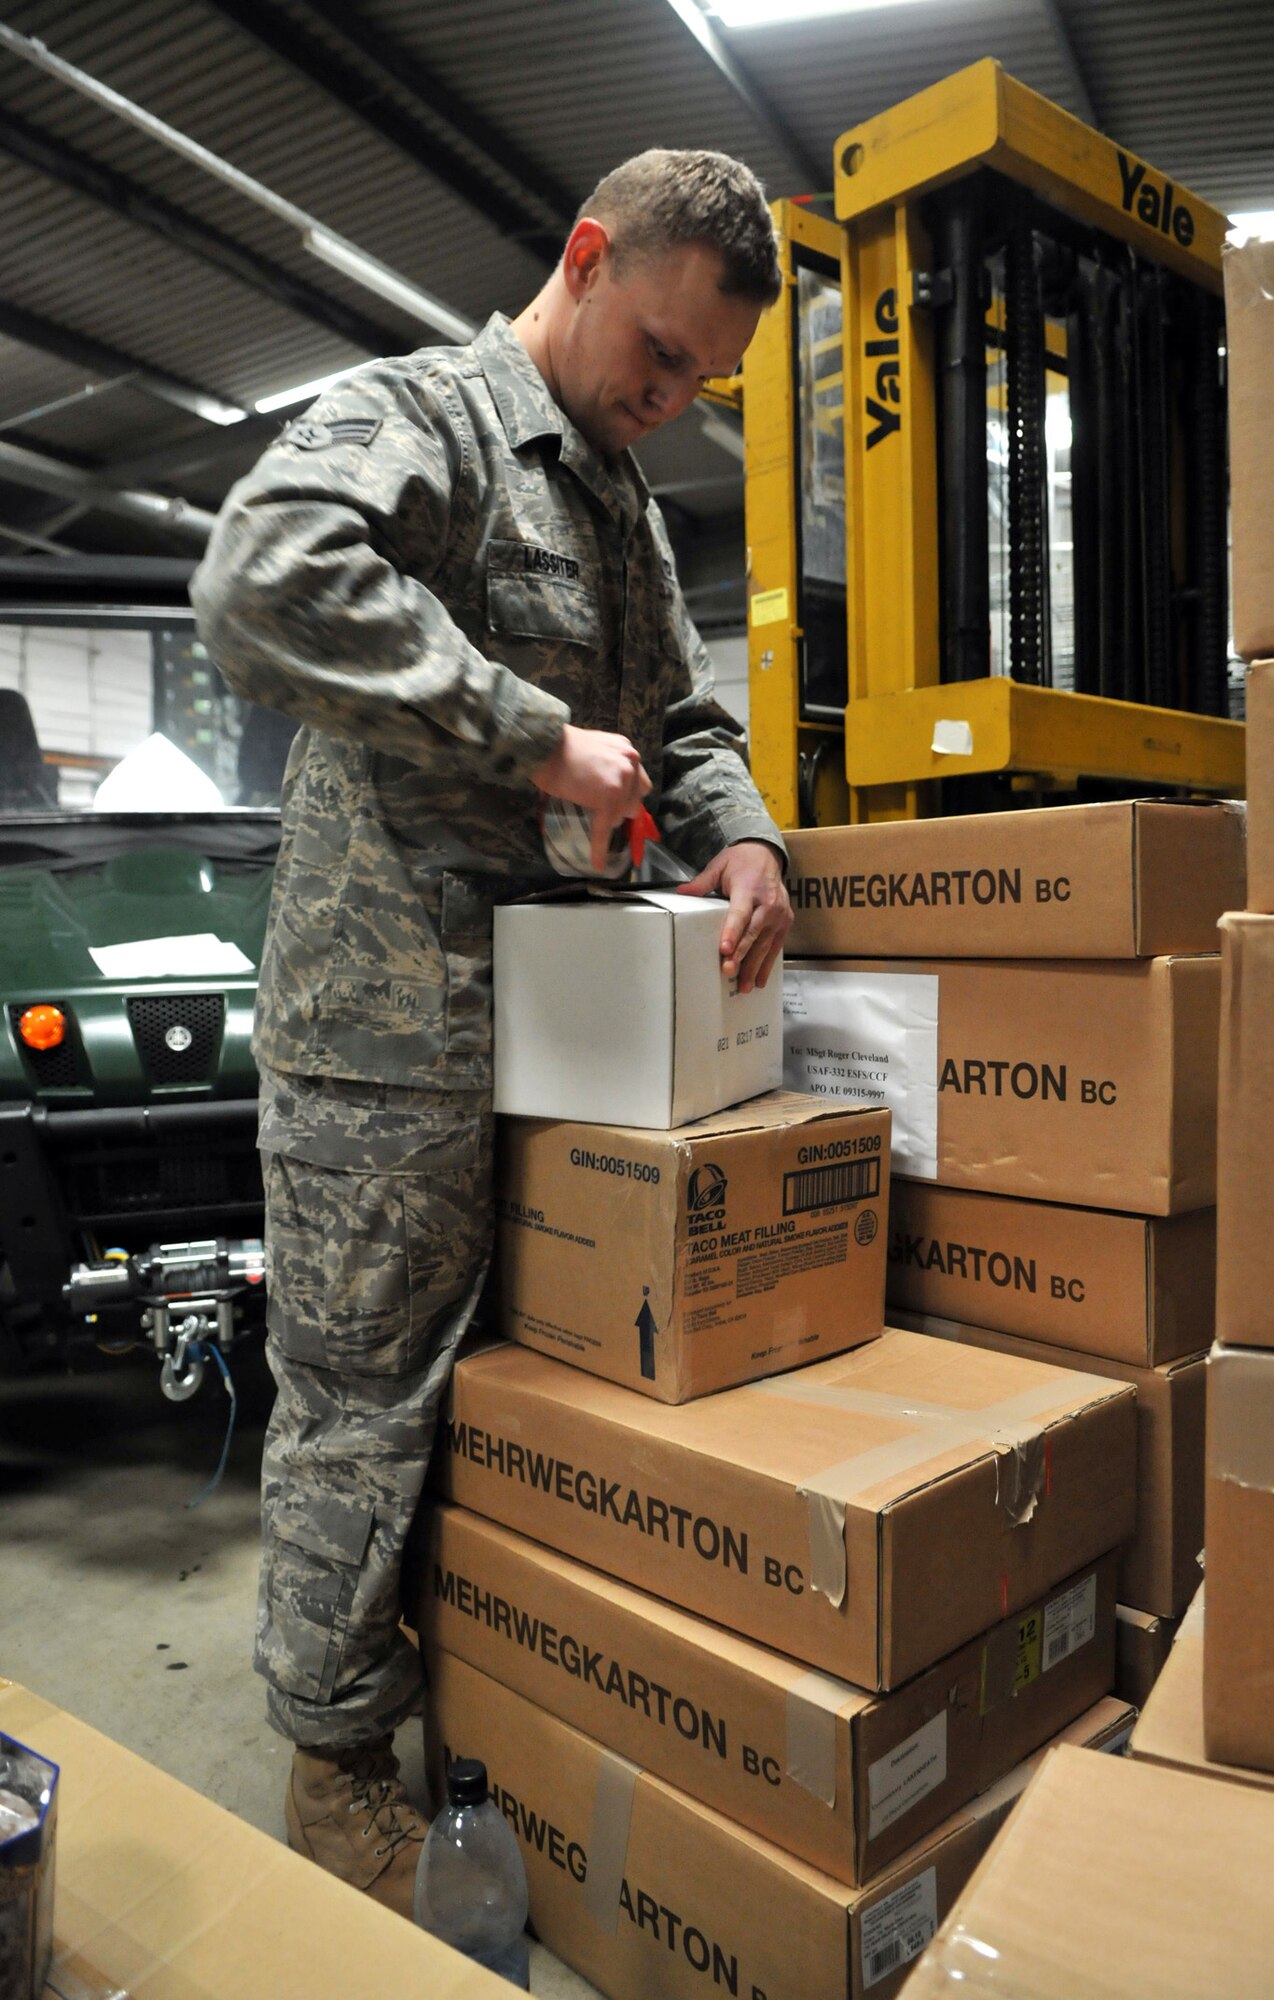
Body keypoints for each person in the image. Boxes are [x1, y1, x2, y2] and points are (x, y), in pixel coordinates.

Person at [190, 147, 792, 1917]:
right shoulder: (429, 422)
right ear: (587, 258)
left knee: (496, 1408)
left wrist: (744, 828)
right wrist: (531, 730)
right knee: (364, 1412)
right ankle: (331, 1763)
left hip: (563, 1029)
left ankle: (485, 1701)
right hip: (389, 1031)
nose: (671, 403)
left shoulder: (617, 503)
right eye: (663, 357)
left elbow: (675, 719)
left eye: (706, 384)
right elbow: (260, 574)